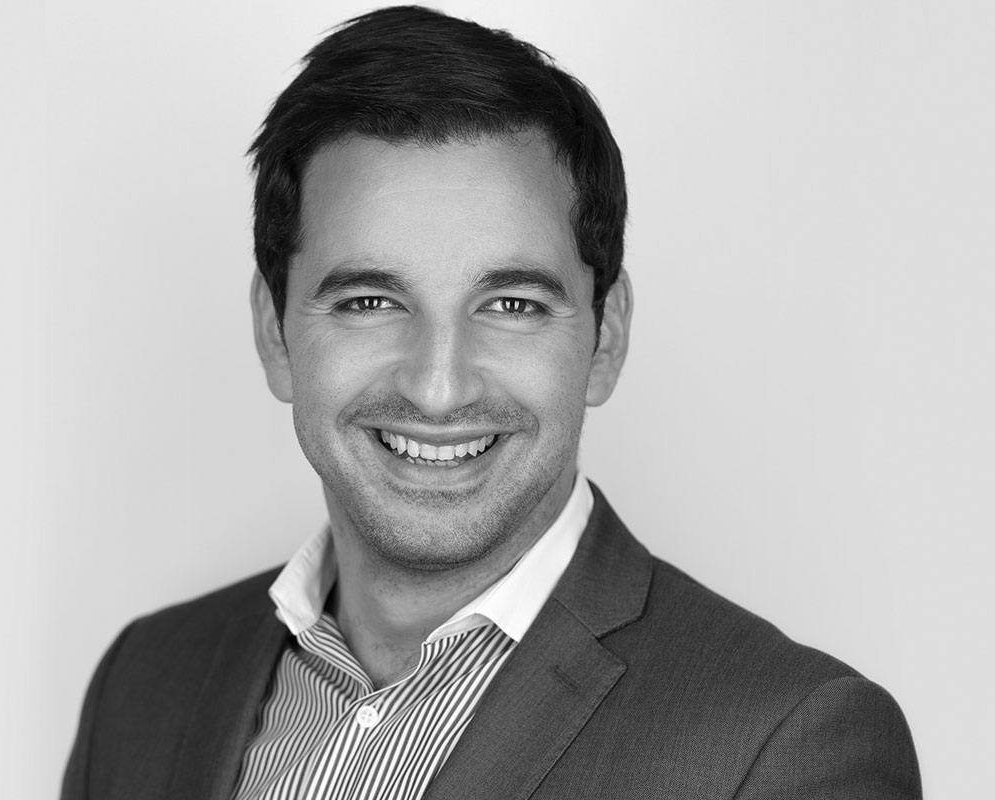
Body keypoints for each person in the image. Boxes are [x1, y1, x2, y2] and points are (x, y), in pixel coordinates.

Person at [61, 6, 921, 798]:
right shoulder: (144, 683)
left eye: (511, 305)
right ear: (275, 333)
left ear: (606, 337)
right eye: (369, 301)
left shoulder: (788, 744)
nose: (438, 387)